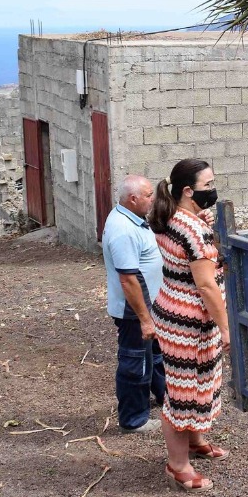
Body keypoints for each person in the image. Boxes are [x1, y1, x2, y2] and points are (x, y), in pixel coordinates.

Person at [149, 158, 230, 492]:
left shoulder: (168, 215)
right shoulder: (193, 231)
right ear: (187, 190)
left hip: (171, 311)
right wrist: (226, 328)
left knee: (198, 385)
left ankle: (195, 440)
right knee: (182, 394)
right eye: (208, 185)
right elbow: (207, 286)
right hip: (189, 325)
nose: (212, 189)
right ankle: (177, 465)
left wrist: (198, 219)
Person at [101, 175, 166, 433]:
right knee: (136, 362)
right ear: (133, 198)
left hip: (149, 308)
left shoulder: (132, 220)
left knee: (156, 356)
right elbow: (129, 280)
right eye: (149, 195)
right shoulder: (123, 230)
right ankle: (134, 419)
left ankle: (166, 396)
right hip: (135, 312)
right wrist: (145, 319)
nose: (153, 199)